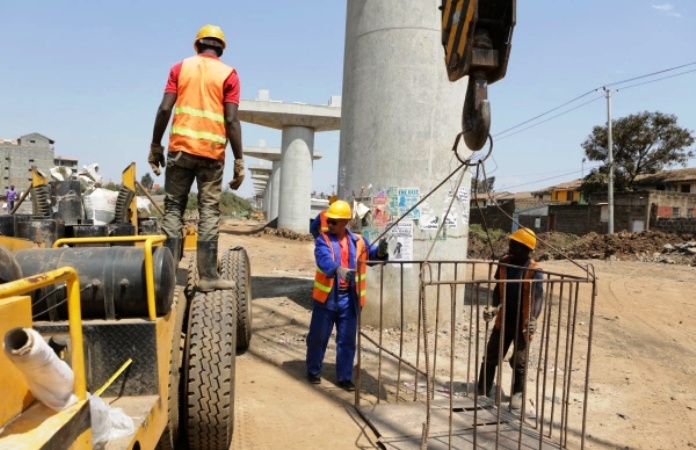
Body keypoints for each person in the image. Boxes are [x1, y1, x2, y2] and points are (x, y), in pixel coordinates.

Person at [148, 24, 245, 292]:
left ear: (197, 44)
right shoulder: (229, 74)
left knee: (173, 209)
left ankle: (165, 273)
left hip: (180, 150)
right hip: (212, 155)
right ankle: (208, 277)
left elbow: (165, 108)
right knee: (208, 212)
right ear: (221, 48)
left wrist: (155, 145)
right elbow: (231, 119)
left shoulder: (180, 68)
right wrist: (239, 159)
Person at [307, 200, 389, 391]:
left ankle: (344, 377)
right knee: (318, 338)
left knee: (346, 340)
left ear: (345, 222)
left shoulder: (359, 241)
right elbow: (323, 259)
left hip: (349, 300)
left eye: (335, 222)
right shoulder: (323, 240)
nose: (330, 225)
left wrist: (382, 253)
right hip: (327, 299)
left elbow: (371, 257)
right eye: (329, 221)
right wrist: (338, 270)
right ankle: (313, 371)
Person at [477, 227, 543, 410]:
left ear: (527, 250)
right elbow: (498, 289)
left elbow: (538, 297)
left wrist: (533, 319)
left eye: (516, 246)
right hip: (504, 321)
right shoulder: (504, 263)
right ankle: (482, 390)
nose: (511, 249)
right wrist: (494, 306)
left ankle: (517, 395)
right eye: (511, 244)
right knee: (491, 356)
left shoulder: (535, 271)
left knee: (520, 362)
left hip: (523, 323)